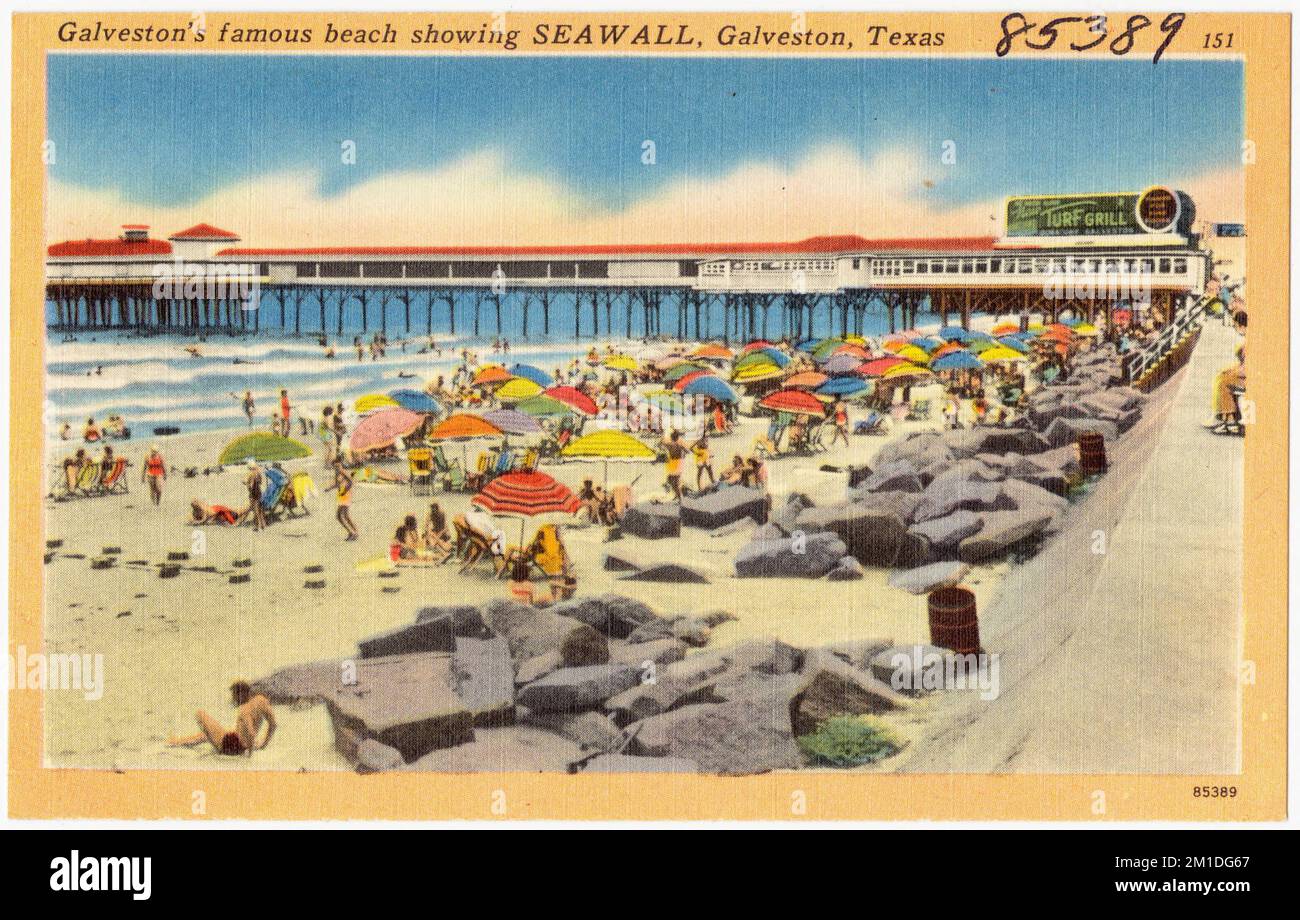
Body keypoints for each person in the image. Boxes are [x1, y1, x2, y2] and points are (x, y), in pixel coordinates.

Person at [167, 680, 276, 757]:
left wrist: (249, 756)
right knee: (205, 736)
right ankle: (177, 742)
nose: (234, 700)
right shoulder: (262, 700)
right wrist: (263, 744)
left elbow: (251, 733)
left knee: (200, 714)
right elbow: (273, 724)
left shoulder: (245, 709)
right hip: (239, 743)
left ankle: (174, 742)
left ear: (241, 694)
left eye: (234, 696)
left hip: (230, 746)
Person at [1207, 310, 1248, 431]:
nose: (1236, 330)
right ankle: (1225, 417)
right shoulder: (1249, 338)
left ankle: (1229, 420)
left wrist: (1232, 372)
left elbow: (1248, 368)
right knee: (1224, 376)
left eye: (1236, 327)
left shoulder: (1249, 341)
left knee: (1224, 382)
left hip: (1251, 378)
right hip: (1249, 374)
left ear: (1241, 326)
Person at [332, 460, 358, 541]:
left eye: (338, 466)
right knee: (346, 516)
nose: (337, 468)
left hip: (345, 495)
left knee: (339, 516)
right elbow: (337, 484)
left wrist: (344, 491)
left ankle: (352, 533)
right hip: (341, 495)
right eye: (335, 467)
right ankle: (355, 532)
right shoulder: (337, 473)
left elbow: (351, 482)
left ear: (341, 465)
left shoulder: (343, 472)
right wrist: (329, 488)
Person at [662, 430, 686, 501]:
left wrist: (664, 434)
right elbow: (687, 451)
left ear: (671, 437)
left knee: (673, 481)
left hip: (673, 462)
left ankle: (680, 497)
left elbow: (662, 442)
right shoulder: (680, 443)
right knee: (673, 480)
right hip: (678, 461)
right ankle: (678, 495)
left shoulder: (669, 444)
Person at [245, 462, 267, 531]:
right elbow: (260, 482)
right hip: (258, 492)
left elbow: (250, 485)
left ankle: (258, 526)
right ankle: (263, 524)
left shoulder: (251, 474)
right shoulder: (258, 473)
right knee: (259, 509)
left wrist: (245, 483)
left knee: (255, 510)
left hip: (253, 494)